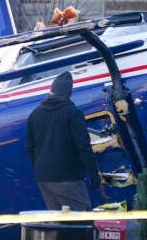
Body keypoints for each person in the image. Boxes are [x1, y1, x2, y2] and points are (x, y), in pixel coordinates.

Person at [25, 72, 102, 211]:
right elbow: (83, 146)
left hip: (44, 178)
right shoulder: (73, 113)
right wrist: (94, 174)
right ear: (68, 93)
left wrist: (40, 169)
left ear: (51, 91)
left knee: (58, 223)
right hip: (68, 177)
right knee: (80, 219)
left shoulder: (34, 114)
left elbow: (30, 148)